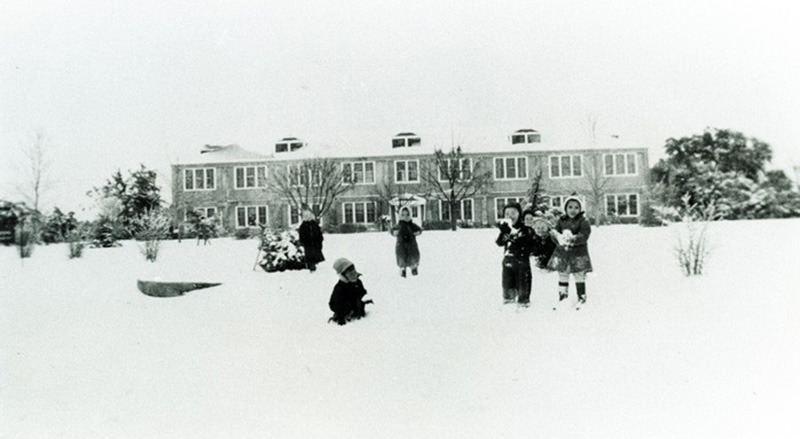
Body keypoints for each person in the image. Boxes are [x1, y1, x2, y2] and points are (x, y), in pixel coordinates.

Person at [547, 196, 593, 307]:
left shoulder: (583, 220)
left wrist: (572, 239)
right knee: (563, 273)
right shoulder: (561, 220)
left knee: (579, 274)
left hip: (578, 254)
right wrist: (558, 238)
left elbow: (584, 235)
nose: (573, 210)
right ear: (565, 208)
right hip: (563, 253)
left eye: (576, 207)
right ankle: (563, 297)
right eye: (570, 207)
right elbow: (555, 233)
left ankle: (581, 297)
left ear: (580, 209)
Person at [496, 201, 533, 306]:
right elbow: (499, 243)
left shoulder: (524, 227)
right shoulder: (506, 228)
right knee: (507, 281)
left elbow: (526, 242)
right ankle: (508, 300)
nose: (510, 216)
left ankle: (523, 301)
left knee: (523, 282)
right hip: (508, 261)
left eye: (513, 213)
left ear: (519, 214)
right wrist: (503, 232)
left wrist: (513, 237)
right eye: (507, 214)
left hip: (522, 261)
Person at [328, 258, 373, 325]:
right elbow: (338, 305)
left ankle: (357, 312)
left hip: (355, 305)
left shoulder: (358, 282)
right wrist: (341, 320)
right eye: (349, 273)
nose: (353, 274)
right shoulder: (340, 288)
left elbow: (363, 294)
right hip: (342, 308)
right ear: (343, 275)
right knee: (347, 304)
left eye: (353, 270)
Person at [390, 207, 422, 277]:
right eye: (403, 215)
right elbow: (392, 230)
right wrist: (393, 232)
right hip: (401, 245)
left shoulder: (412, 225)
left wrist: (418, 232)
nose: (405, 217)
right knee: (401, 257)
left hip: (412, 246)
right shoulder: (399, 225)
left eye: (407, 215)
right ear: (400, 216)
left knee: (413, 257)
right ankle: (402, 270)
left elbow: (419, 229)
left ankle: (414, 269)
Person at [297, 206, 325, 272]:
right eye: (306, 216)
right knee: (309, 256)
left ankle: (315, 265)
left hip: (315, 243)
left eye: (309, 215)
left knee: (316, 255)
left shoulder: (314, 224)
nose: (308, 217)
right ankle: (311, 267)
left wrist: (320, 241)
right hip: (308, 244)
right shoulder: (303, 226)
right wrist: (304, 242)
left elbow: (319, 234)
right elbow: (301, 236)